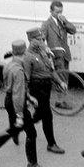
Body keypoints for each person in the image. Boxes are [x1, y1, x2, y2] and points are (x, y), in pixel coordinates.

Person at [0, 40, 30, 166]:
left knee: (15, 127)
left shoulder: (8, 65)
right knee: (25, 130)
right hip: (16, 102)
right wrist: (20, 114)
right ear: (24, 52)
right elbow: (18, 94)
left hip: (8, 99)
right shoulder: (19, 70)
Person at [25, 27, 65, 155]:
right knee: (47, 115)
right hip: (37, 88)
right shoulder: (28, 56)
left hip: (46, 87)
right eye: (38, 39)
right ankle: (51, 144)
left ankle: (16, 128)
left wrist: (59, 81)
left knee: (39, 115)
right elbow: (26, 78)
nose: (42, 40)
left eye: (42, 38)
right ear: (31, 40)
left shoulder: (43, 52)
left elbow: (51, 70)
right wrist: (28, 96)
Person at [42, 1, 77, 111]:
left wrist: (65, 21)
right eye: (57, 12)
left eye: (61, 12)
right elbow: (42, 39)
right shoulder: (46, 24)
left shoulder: (63, 22)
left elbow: (73, 30)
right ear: (51, 11)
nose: (59, 14)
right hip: (56, 54)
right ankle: (60, 101)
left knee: (65, 77)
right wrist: (46, 50)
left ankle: (61, 100)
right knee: (60, 77)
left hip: (65, 53)